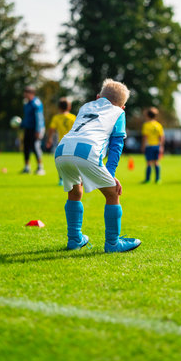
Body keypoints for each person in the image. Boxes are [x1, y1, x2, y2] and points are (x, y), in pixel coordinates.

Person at [54, 78, 141, 253]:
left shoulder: (86, 106)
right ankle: (113, 243)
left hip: (62, 149)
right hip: (86, 152)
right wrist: (111, 173)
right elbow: (116, 145)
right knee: (112, 194)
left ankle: (74, 239)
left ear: (98, 96)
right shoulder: (118, 112)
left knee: (74, 191)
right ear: (122, 107)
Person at [47, 97, 76, 185]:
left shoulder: (56, 118)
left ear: (59, 108)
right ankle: (74, 178)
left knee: (60, 161)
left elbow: (51, 129)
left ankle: (61, 179)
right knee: (72, 161)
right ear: (69, 107)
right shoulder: (73, 117)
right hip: (73, 142)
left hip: (62, 142)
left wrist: (49, 139)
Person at [20, 86, 45, 175]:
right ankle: (27, 167)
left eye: (26, 92)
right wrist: (21, 124)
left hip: (36, 129)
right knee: (26, 147)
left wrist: (38, 130)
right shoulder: (27, 104)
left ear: (31, 93)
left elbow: (39, 118)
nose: (24, 94)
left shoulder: (36, 103)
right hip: (28, 128)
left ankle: (40, 167)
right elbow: (27, 118)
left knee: (35, 147)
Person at [141, 107, 165, 183]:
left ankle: (147, 179)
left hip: (149, 146)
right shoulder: (158, 125)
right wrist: (161, 146)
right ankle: (158, 179)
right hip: (157, 146)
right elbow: (161, 137)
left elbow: (145, 137)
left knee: (149, 163)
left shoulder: (146, 125)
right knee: (156, 162)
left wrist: (143, 146)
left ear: (147, 116)